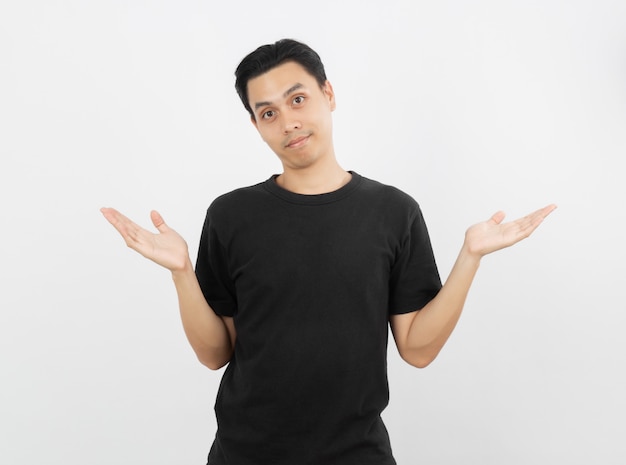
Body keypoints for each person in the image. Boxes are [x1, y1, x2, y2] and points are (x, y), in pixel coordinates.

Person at [101, 38, 556, 465]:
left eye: (298, 100)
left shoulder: (393, 212)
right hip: (245, 453)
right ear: (256, 125)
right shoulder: (230, 215)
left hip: (358, 454)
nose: (288, 123)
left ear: (328, 94)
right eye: (268, 113)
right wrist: (181, 270)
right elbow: (215, 353)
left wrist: (470, 257)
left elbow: (417, 349)